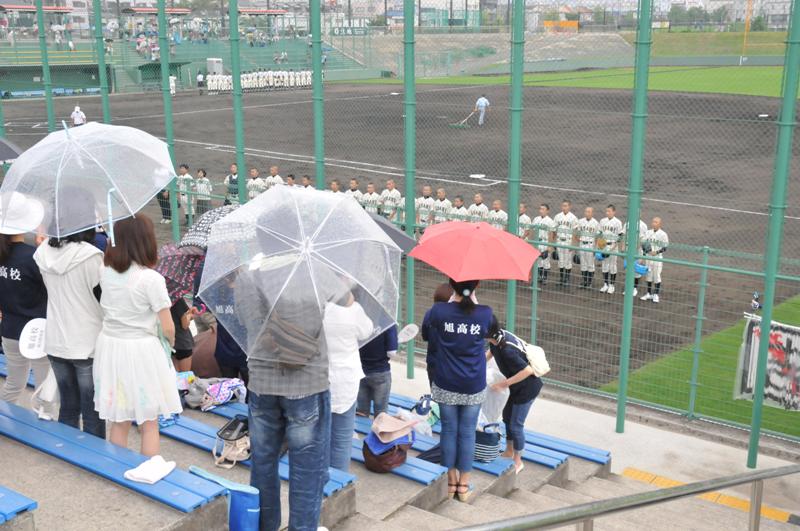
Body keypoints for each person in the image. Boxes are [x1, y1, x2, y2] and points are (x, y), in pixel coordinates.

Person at [93, 216, 182, 456]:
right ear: (146, 241)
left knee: (119, 417)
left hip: (110, 346)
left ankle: (116, 466)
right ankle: (148, 468)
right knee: (149, 420)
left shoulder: (104, 271)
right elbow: (168, 327)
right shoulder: (151, 279)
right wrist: (169, 345)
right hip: (142, 350)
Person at [34, 201, 105, 438]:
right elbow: (102, 298)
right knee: (92, 409)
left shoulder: (42, 252)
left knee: (68, 405)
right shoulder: (92, 256)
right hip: (86, 342)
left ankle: (68, 450)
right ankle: (95, 459)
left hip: (55, 338)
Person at [422, 278, 493, 502]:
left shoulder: (438, 311)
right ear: (477, 287)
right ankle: (463, 486)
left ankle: (450, 481)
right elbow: (494, 333)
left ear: (452, 286)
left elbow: (426, 333)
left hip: (445, 381)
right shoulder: (485, 313)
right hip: (473, 383)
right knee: (467, 433)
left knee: (449, 431)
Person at [0, 194, 49, 405]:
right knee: (43, 386)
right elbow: (50, 289)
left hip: (9, 328)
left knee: (14, 383)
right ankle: (44, 423)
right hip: (38, 330)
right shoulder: (33, 257)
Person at [323, 289, 373, 472]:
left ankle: (321, 479)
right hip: (347, 378)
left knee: (321, 435)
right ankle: (339, 480)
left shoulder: (317, 307)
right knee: (342, 437)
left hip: (321, 376)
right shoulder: (354, 309)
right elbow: (366, 331)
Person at [486, 320, 542, 475]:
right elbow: (490, 353)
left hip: (527, 389)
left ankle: (518, 460)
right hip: (514, 387)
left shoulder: (507, 350)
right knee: (507, 418)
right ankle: (509, 451)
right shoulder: (497, 338)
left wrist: (503, 384)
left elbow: (528, 370)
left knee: (516, 425)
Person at [356, 325, 397, 418]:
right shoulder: (388, 324)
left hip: (360, 371)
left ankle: (362, 432)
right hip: (380, 373)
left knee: (361, 412)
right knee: (380, 414)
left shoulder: (360, 318)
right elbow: (391, 353)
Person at [422, 283, 453, 387]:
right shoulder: (456, 317)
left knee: (435, 395)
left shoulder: (429, 313)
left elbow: (425, 336)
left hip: (433, 362)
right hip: (451, 365)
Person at [641, 217, 669, 303]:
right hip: (649, 258)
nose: (654, 223)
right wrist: (645, 254)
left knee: (656, 276)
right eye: (653, 222)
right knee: (648, 275)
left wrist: (656, 252)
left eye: (656, 222)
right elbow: (643, 244)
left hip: (657, 258)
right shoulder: (648, 232)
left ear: (660, 224)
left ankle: (656, 294)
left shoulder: (663, 234)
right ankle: (649, 293)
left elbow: (665, 247)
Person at [551, 200, 578, 288]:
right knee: (561, 261)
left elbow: (575, 232)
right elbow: (554, 230)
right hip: (559, 241)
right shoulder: (557, 216)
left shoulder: (573, 218)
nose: (564, 207)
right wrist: (554, 242)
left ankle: (567, 279)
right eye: (563, 206)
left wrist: (573, 244)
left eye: (566, 206)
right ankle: (562, 279)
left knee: (568, 261)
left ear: (569, 207)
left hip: (568, 241)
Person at [620, 218, 648, 297]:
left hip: (637, 250)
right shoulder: (627, 223)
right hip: (628, 248)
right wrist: (622, 247)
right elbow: (624, 236)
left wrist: (636, 249)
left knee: (636, 270)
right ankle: (629, 288)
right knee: (628, 269)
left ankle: (634, 288)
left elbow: (643, 240)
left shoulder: (642, 225)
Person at [598, 204, 623, 294]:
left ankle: (612, 285)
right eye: (606, 211)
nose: (607, 213)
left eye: (609, 211)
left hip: (613, 246)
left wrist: (613, 247)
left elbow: (620, 236)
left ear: (614, 212)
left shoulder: (618, 222)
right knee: (605, 266)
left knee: (613, 266)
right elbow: (600, 234)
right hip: (604, 246)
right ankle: (605, 284)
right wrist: (599, 245)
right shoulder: (602, 221)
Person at [576, 206, 600, 289]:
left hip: (591, 245)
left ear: (592, 213)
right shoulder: (580, 221)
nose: (587, 213)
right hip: (582, 244)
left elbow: (598, 237)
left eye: (589, 212)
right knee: (583, 264)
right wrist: (577, 240)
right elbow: (576, 232)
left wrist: (595, 248)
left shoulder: (596, 223)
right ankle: (584, 281)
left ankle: (589, 282)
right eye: (586, 211)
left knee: (590, 265)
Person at [532, 203, 555, 284]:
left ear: (547, 211)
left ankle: (544, 278)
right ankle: (539, 276)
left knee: (545, 261)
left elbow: (551, 234)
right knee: (538, 261)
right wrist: (533, 243)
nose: (541, 211)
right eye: (540, 209)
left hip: (545, 242)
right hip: (537, 241)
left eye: (543, 209)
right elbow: (533, 231)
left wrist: (549, 245)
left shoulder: (550, 221)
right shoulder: (536, 219)